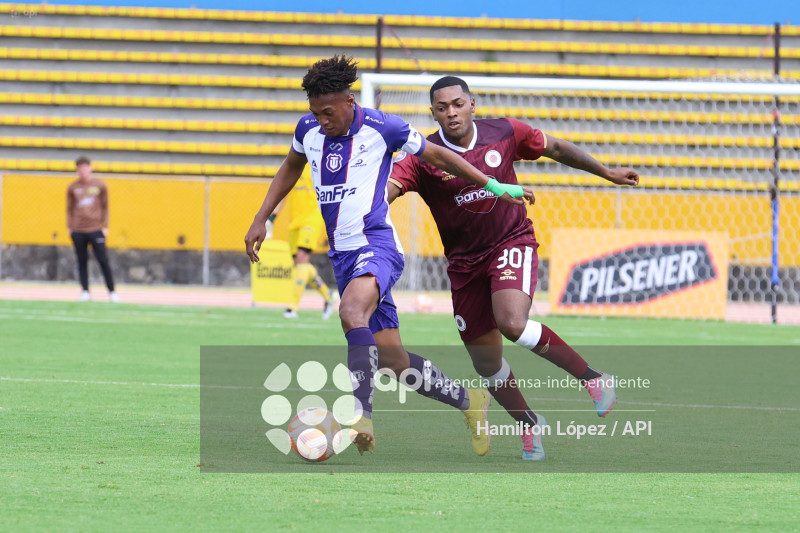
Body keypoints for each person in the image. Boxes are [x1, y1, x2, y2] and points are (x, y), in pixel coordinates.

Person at [245, 56, 533, 455]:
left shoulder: (385, 127)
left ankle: (361, 416)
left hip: (377, 245)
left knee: (351, 314)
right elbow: (290, 166)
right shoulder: (307, 129)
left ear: (349, 100)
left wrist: (494, 184)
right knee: (392, 361)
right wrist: (262, 218)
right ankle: (470, 402)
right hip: (343, 256)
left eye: (328, 112)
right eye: (315, 113)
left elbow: (438, 155)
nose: (321, 120)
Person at [389, 76, 640, 460]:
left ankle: (593, 379)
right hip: (463, 265)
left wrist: (606, 172)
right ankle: (528, 423)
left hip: (510, 242)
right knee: (486, 363)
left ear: (473, 104)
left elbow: (554, 147)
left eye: (458, 104)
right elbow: (391, 187)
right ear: (433, 113)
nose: (451, 113)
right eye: (442, 108)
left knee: (511, 322)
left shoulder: (503, 132)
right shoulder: (424, 155)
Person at [266, 171, 336, 320]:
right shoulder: (295, 164)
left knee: (301, 258)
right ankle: (328, 295)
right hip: (295, 221)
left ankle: (292, 307)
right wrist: (272, 218)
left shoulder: (318, 162)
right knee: (299, 264)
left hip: (312, 218)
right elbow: (283, 191)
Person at [66, 155, 119, 303]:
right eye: (80, 168)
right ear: (77, 170)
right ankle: (85, 291)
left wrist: (105, 226)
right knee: (81, 261)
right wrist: (70, 227)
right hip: (78, 230)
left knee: (103, 259)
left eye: (85, 167)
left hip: (96, 229)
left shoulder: (100, 186)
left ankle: (112, 291)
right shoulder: (72, 187)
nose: (83, 171)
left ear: (90, 168)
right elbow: (69, 209)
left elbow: (105, 206)